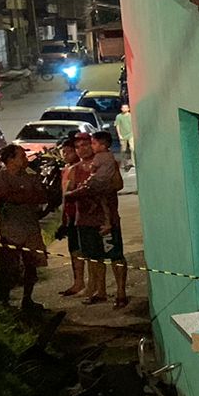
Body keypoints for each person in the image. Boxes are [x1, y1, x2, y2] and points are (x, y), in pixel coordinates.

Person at [66, 130, 128, 307]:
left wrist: (95, 189)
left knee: (115, 255)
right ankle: (100, 291)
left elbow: (117, 185)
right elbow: (68, 193)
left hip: (107, 221)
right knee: (94, 257)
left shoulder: (106, 163)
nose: (82, 149)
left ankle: (121, 292)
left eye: (86, 144)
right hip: (84, 220)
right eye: (77, 147)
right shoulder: (75, 170)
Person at [0, 144, 50, 312]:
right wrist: (25, 196)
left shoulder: (30, 175)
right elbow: (4, 198)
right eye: (21, 156)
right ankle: (3, 301)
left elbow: (42, 196)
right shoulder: (0, 178)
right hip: (11, 230)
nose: (25, 159)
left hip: (30, 229)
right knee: (8, 268)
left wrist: (21, 195)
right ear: (10, 159)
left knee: (31, 266)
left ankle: (27, 300)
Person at [58, 133, 91, 297]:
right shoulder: (66, 170)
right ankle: (78, 282)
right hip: (70, 215)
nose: (65, 155)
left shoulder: (80, 169)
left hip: (81, 214)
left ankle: (88, 284)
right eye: (63, 152)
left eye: (68, 151)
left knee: (84, 250)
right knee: (74, 250)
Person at [115, 104, 135, 170]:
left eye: (126, 107)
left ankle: (134, 162)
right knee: (123, 149)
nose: (124, 109)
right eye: (123, 108)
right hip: (123, 135)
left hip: (131, 134)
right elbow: (117, 126)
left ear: (128, 109)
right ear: (121, 109)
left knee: (132, 148)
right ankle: (124, 163)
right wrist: (119, 135)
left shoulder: (131, 116)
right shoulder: (119, 116)